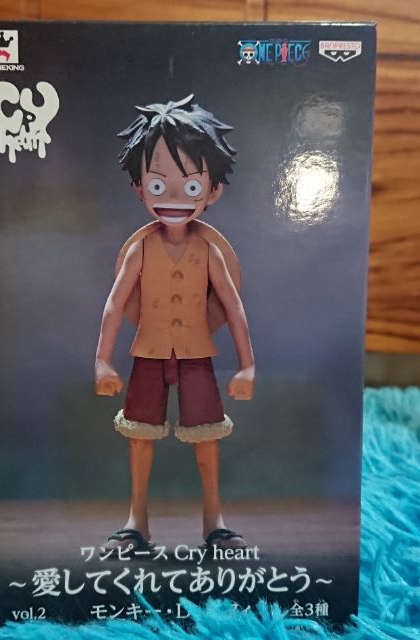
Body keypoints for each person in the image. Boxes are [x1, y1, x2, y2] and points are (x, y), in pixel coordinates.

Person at [95, 95, 255, 554]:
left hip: (196, 355)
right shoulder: (140, 249)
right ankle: (136, 521)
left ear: (212, 191)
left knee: (207, 437)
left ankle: (214, 520)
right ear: (139, 189)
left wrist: (247, 366)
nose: (173, 197)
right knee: (139, 437)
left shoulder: (210, 251)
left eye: (191, 186)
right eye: (157, 184)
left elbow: (234, 306)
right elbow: (114, 304)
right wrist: (102, 361)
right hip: (147, 353)